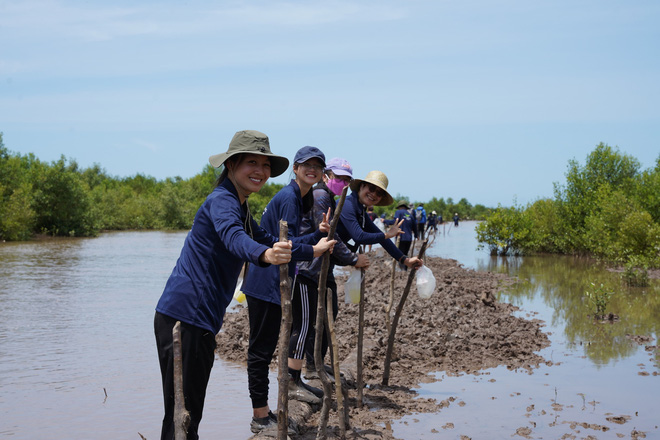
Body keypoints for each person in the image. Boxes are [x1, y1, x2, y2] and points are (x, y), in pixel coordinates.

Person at [154, 130, 293, 440]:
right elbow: (235, 238)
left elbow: (266, 238)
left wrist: (314, 248)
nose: (260, 171)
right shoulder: (222, 201)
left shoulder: (240, 206)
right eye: (251, 163)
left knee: (187, 415)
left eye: (265, 165)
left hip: (196, 319)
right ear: (231, 165)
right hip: (184, 318)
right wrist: (265, 255)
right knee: (182, 418)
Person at [241, 146, 336, 434]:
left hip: (272, 279)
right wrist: (315, 250)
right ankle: (260, 416)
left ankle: (268, 407)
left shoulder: (300, 197)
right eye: (307, 165)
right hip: (266, 280)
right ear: (295, 168)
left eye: (318, 166)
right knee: (261, 350)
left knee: (267, 345)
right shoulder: (291, 198)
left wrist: (317, 235)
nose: (312, 169)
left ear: (322, 174)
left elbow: (285, 240)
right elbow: (288, 248)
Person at [290, 157, 370, 383]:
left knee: (327, 316)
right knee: (308, 322)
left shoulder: (330, 198)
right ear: (327, 176)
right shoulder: (320, 196)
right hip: (307, 269)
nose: (343, 184)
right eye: (339, 178)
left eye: (347, 180)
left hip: (322, 271)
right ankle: (309, 369)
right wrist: (353, 258)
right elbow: (328, 235)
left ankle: (317, 362)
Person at [337, 170, 424, 271]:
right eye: (371, 188)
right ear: (361, 186)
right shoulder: (347, 204)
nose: (373, 194)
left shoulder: (361, 212)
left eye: (379, 193)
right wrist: (388, 234)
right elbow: (359, 236)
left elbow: (382, 238)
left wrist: (405, 260)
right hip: (319, 259)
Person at [385, 200, 416, 269]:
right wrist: (417, 235)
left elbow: (394, 221)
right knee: (406, 254)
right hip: (409, 238)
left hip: (400, 237)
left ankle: (401, 270)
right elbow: (415, 226)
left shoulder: (398, 212)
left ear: (399, 207)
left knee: (400, 255)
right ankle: (405, 269)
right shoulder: (410, 215)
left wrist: (385, 221)